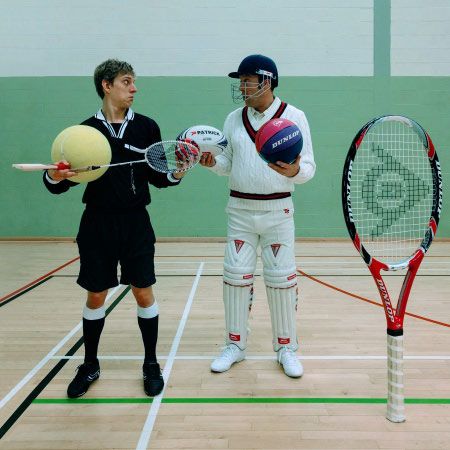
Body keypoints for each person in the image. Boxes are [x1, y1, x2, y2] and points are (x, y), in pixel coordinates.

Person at [43, 59, 186, 398]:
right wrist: (54, 176)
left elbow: (158, 177)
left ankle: (151, 363)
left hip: (136, 223)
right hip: (97, 224)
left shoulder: (147, 127)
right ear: (106, 86)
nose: (134, 88)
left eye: (133, 81)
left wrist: (177, 173)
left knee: (143, 291)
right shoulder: (83, 132)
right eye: (126, 81)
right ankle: (90, 364)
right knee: (96, 295)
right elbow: (59, 184)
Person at [200, 54, 316, 378]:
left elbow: (308, 167)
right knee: (235, 277)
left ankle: (286, 349)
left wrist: (294, 171)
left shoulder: (294, 116)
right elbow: (227, 163)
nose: (241, 86)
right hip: (240, 210)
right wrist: (212, 163)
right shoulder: (233, 119)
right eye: (240, 81)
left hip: (279, 211)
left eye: (246, 80)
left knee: (282, 280)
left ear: (266, 81)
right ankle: (234, 346)